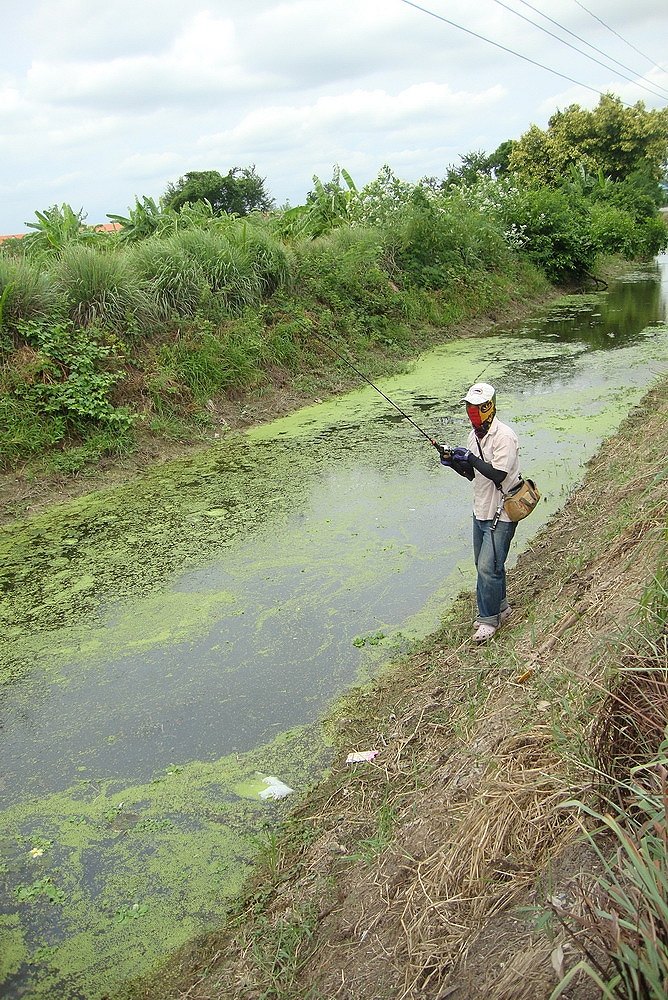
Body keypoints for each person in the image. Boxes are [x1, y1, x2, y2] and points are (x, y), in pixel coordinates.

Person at [441, 382, 522, 644]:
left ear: (490, 406)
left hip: (502, 510)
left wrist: (472, 459)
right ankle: (501, 607)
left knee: (489, 566)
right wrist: (456, 463)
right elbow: (473, 475)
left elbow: (498, 473)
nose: (473, 412)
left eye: (479, 407)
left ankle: (488, 620)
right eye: (469, 407)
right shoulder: (472, 437)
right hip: (481, 508)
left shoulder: (504, 436)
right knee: (485, 564)